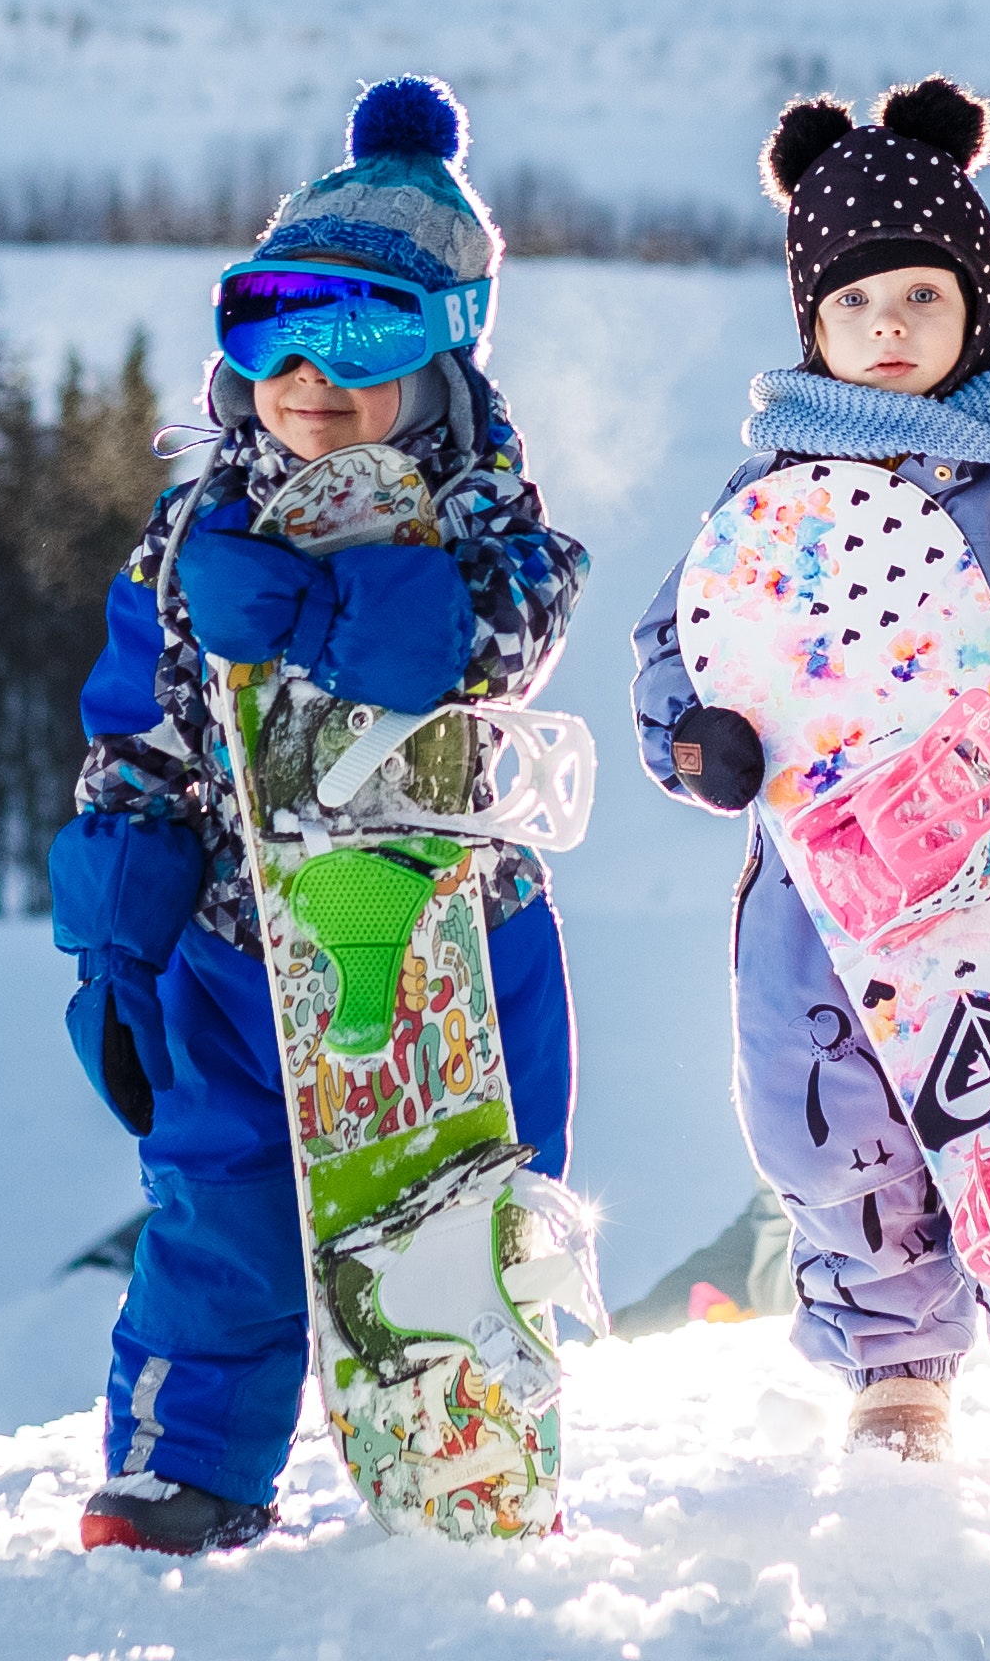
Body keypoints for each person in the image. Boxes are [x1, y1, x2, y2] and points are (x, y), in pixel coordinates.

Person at [47, 77, 590, 1555]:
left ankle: (464, 1455)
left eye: (364, 334)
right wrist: (119, 926)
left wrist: (331, 606)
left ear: (447, 350)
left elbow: (497, 642)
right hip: (239, 943)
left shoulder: (491, 520)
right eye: (269, 325)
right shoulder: (192, 528)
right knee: (217, 1210)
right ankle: (185, 1473)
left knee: (451, 1208)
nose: (311, 373)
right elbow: (139, 722)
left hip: (448, 956)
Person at [627, 77, 990, 1467]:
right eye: (857, 309)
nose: (891, 331)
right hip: (821, 889)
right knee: (823, 1116)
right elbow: (681, 634)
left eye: (924, 300)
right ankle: (895, 1357)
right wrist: (698, 740)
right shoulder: (769, 490)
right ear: (813, 326)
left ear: (976, 306)